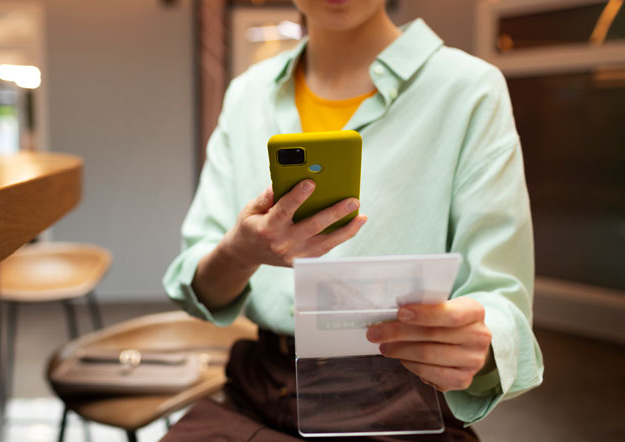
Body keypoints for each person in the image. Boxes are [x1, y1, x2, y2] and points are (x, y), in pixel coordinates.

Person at [162, 1, 544, 440]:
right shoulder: (247, 94)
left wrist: (476, 339)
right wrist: (240, 253)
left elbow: (501, 297)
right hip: (260, 389)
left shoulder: (469, 89)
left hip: (402, 398)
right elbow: (197, 284)